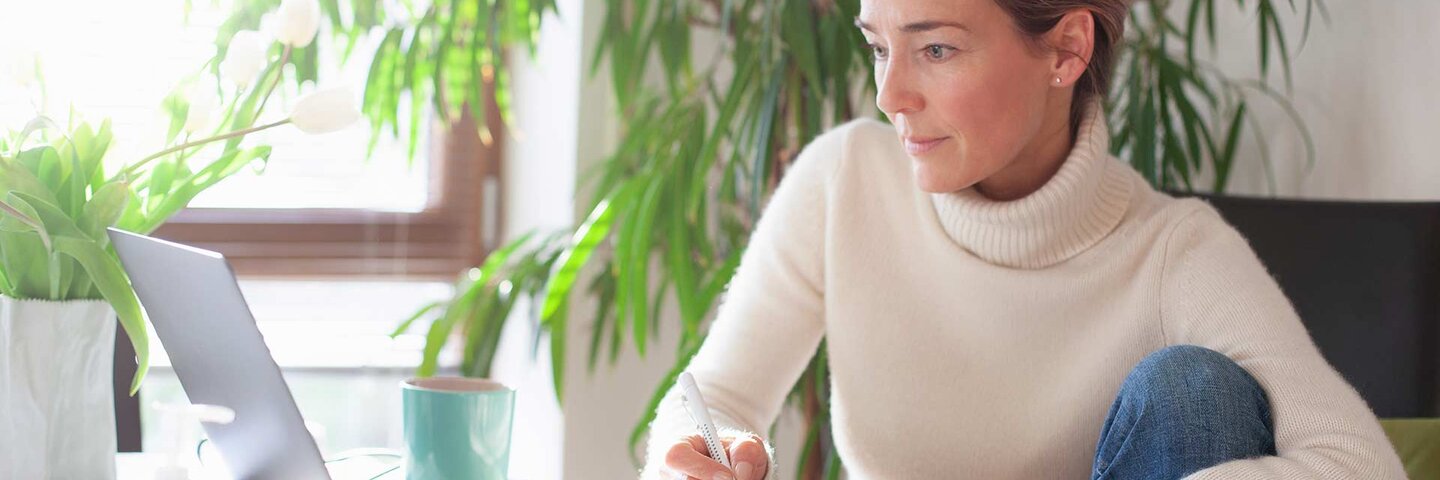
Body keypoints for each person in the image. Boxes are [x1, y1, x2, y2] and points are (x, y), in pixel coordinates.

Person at [640, 0, 1406, 479]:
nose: (888, 94)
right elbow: (715, 396)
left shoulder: (1177, 253)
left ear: (1068, 49)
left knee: (1194, 392)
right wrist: (699, 460)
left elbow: (1359, 464)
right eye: (879, 45)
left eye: (935, 49)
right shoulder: (843, 181)